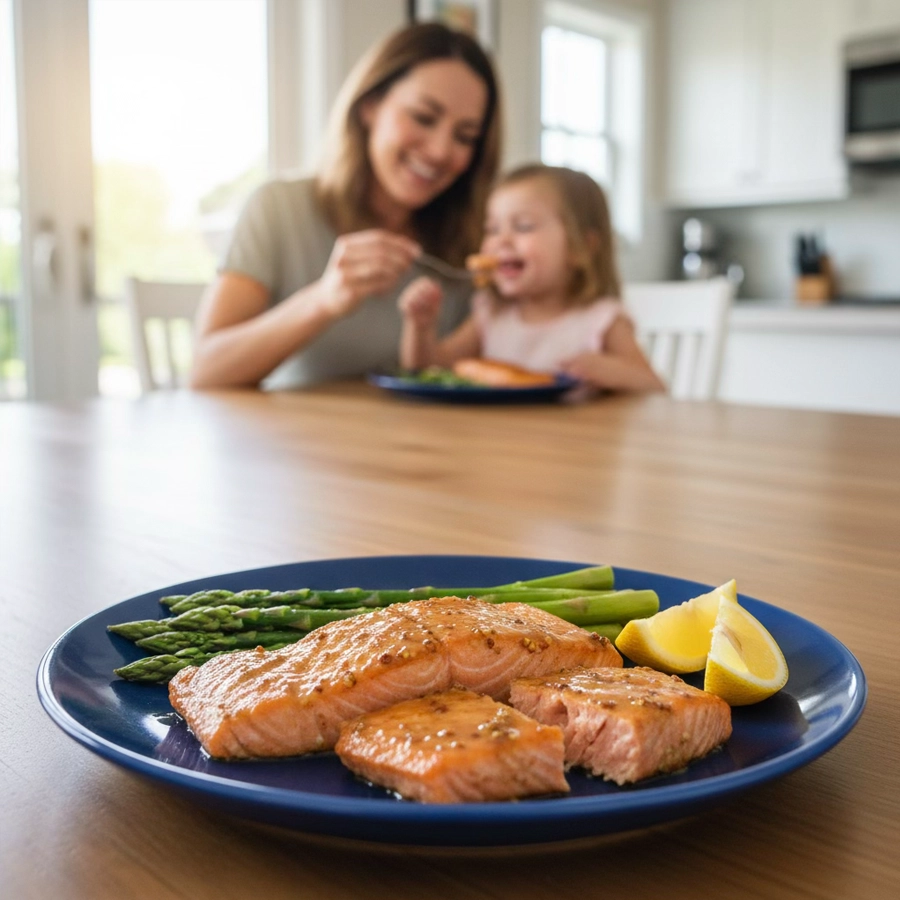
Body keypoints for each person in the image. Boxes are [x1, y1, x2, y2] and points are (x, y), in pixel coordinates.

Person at [190, 23, 502, 390]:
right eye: (423, 117)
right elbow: (205, 372)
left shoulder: (478, 240)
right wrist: (324, 299)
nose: (440, 151)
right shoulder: (279, 209)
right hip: (300, 443)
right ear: (369, 107)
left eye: (465, 137)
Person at [397, 164, 666, 393]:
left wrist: (609, 370)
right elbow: (428, 370)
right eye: (492, 229)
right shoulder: (491, 315)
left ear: (580, 248)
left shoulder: (601, 319)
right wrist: (420, 328)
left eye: (523, 226)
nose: (501, 241)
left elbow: (655, 387)